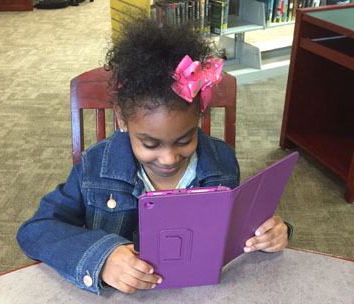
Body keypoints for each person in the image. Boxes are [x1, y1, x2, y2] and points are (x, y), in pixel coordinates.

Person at [17, 18, 292, 295]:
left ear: (199, 116)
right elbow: (36, 231)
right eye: (150, 144)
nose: (169, 158)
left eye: (185, 140)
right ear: (123, 119)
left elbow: (236, 228)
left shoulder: (221, 162)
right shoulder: (94, 168)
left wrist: (273, 233)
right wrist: (102, 258)